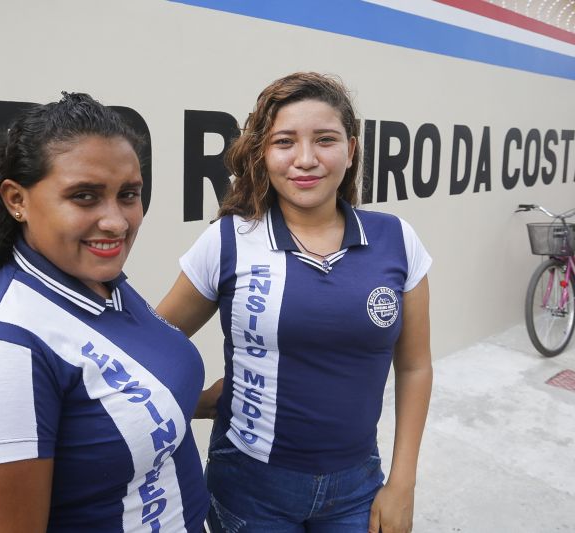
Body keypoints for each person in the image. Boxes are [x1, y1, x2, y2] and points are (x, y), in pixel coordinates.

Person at [157, 72, 433, 532]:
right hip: (248, 484)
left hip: (357, 483)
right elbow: (151, 345)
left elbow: (414, 367)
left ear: (352, 148)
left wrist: (403, 482)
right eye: (285, 141)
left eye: (325, 139)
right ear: (263, 153)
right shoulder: (228, 240)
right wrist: (196, 400)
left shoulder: (397, 240)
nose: (305, 159)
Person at [0, 93, 209, 532]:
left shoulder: (101, 283)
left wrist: (218, 401)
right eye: (84, 196)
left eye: (129, 195)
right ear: (16, 199)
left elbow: (110, 414)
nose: (117, 221)